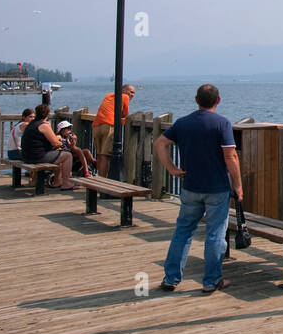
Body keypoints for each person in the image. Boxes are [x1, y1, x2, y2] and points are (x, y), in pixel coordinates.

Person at [154, 84, 244, 294]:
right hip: (217, 187)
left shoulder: (183, 123)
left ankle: (171, 277)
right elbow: (230, 156)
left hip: (190, 185)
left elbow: (160, 143)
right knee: (215, 234)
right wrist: (238, 185)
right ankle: (211, 280)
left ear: (196, 100)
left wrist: (172, 168)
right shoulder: (222, 124)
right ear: (218, 101)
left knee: (183, 231)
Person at [20, 104, 77, 190]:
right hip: (37, 157)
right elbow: (56, 144)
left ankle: (57, 182)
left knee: (58, 155)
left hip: (26, 156)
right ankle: (66, 183)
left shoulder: (32, 123)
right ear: (48, 114)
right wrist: (60, 139)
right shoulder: (44, 126)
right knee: (67, 155)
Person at [94, 83, 136, 179]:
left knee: (99, 155)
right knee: (105, 156)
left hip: (96, 125)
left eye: (134, 93)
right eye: (131, 92)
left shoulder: (109, 95)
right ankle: (103, 181)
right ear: (124, 90)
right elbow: (125, 115)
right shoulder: (124, 97)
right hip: (108, 125)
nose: (132, 95)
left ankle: (99, 178)